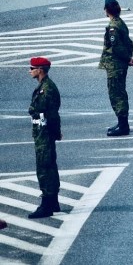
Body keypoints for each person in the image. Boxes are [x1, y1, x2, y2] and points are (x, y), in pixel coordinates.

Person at [27, 56, 62, 219]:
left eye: (32, 68)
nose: (30, 71)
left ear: (40, 70)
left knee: (44, 169)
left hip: (44, 133)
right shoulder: (44, 86)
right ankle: (53, 202)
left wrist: (55, 131)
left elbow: (51, 114)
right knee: (49, 167)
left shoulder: (47, 89)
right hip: (43, 132)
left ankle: (47, 204)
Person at [100, 0, 133, 137]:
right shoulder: (120, 23)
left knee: (116, 94)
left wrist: (127, 58)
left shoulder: (113, 26)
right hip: (119, 64)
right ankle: (122, 123)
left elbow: (117, 47)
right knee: (119, 92)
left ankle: (123, 125)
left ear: (107, 10)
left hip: (115, 64)